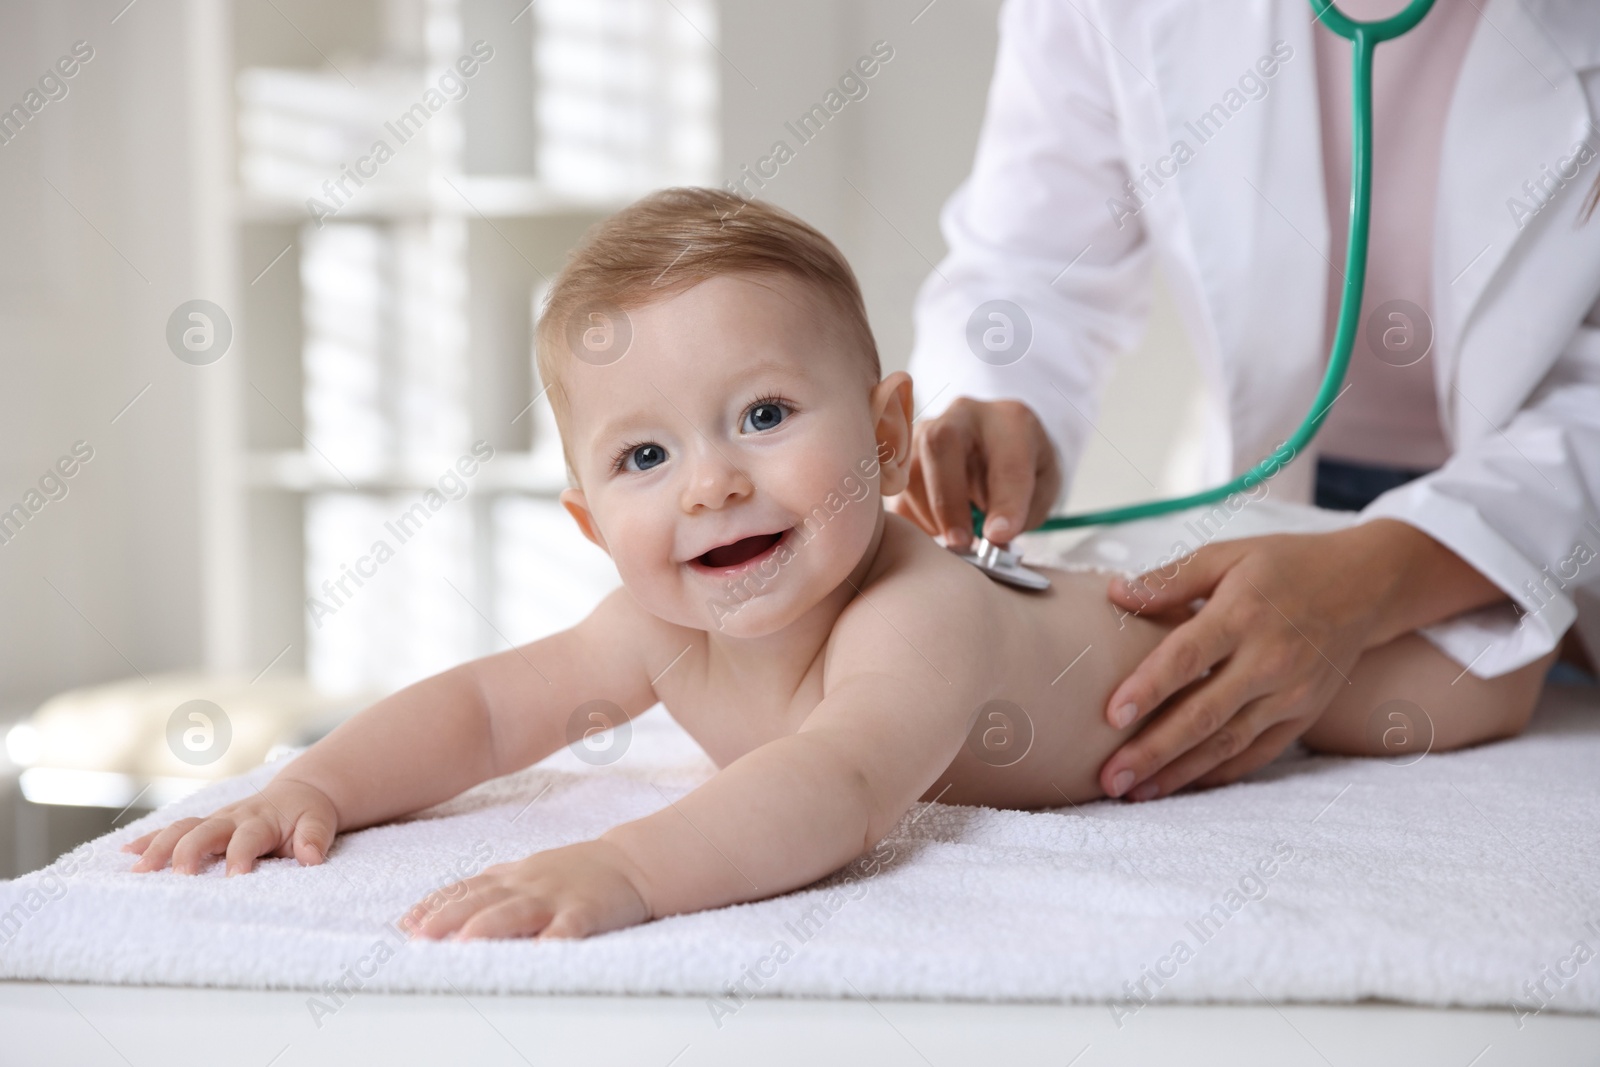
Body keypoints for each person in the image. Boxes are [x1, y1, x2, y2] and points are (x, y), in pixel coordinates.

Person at [120, 190, 1553, 940]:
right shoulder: (653, 619)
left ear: (885, 432)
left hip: (1207, 625)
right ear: (585, 522)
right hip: (1101, 574)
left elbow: (840, 785)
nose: (715, 481)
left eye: (761, 416)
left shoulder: (909, 614)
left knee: (1464, 680)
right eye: (644, 459)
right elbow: (494, 710)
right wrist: (310, 782)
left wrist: (627, 866)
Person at [893, 0, 1600, 803]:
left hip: (1558, 511)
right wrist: (1003, 404)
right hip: (1274, 512)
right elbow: (1027, 266)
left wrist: (1392, 569)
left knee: (1467, 683)